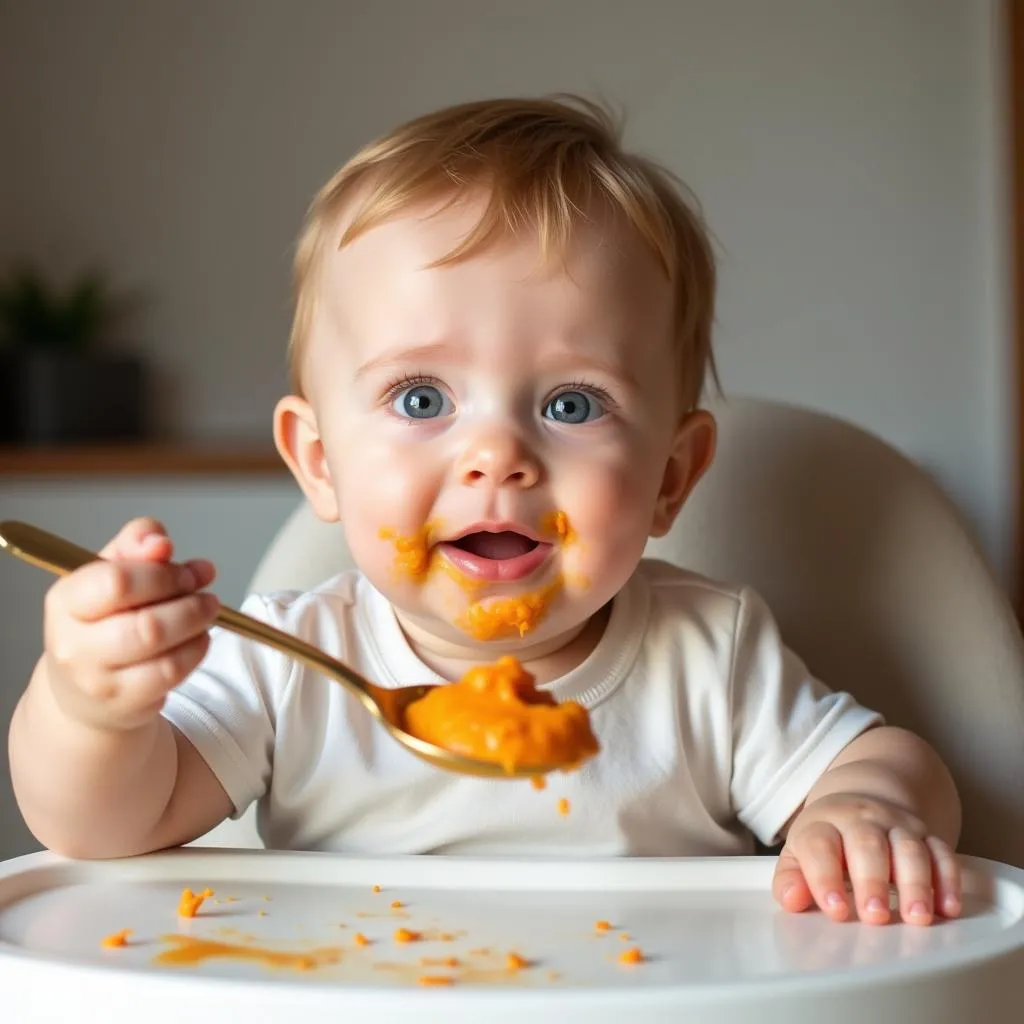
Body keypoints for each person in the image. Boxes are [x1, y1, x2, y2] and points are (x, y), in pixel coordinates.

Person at [8, 96, 961, 927]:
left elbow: (887, 761)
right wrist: (91, 711)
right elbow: (104, 827)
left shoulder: (709, 657)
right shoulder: (294, 668)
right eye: (422, 399)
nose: (497, 456)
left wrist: (868, 811)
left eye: (572, 405)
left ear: (672, 477)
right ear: (320, 460)